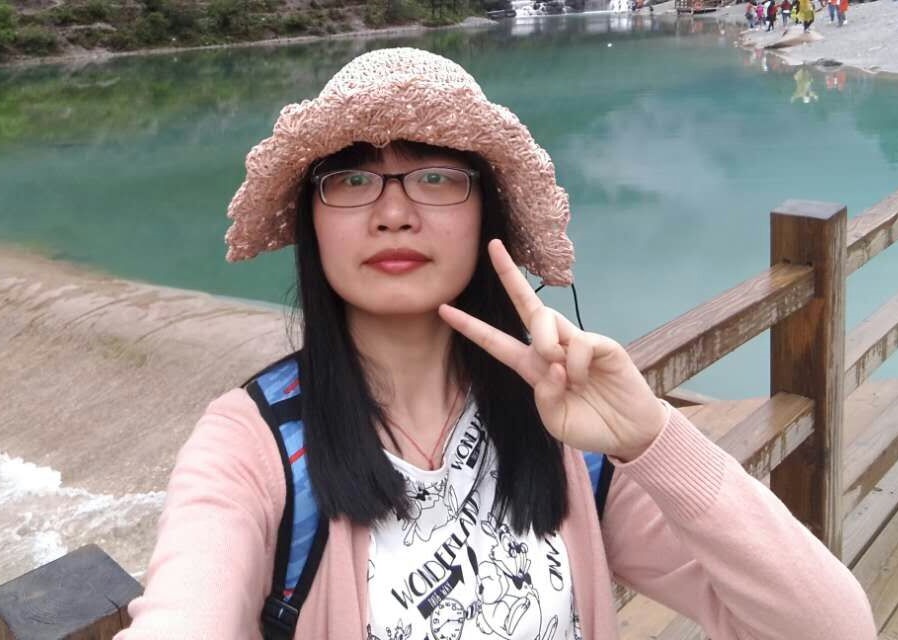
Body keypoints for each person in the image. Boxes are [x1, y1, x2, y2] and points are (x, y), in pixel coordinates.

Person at [115, 48, 877, 640]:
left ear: (487, 213)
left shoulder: (560, 435)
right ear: (313, 220)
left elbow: (830, 626)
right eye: (350, 180)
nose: (393, 212)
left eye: (436, 178)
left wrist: (652, 439)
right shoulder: (255, 446)